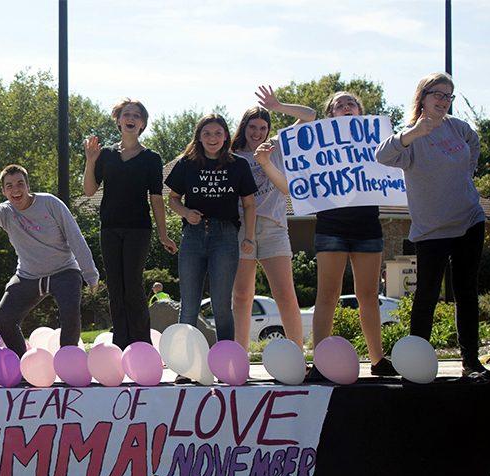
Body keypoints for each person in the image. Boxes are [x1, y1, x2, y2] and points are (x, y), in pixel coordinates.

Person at [376, 73, 490, 381]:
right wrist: (411, 134)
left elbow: (474, 144)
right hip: (431, 230)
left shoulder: (458, 128)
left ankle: (471, 363)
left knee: (466, 292)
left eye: (449, 96)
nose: (443, 101)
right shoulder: (410, 136)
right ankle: (417, 365)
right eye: (438, 95)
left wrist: (464, 179)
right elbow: (382, 155)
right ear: (423, 97)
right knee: (426, 295)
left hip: (469, 219)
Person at [307, 92, 397, 378]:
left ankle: (378, 359)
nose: (346, 107)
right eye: (339, 105)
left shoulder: (376, 142)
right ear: (330, 114)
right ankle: (320, 362)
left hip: (367, 226)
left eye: (351, 104)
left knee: (369, 295)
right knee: (328, 295)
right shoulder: (318, 142)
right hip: (331, 225)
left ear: (360, 111)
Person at [0, 165, 99, 357]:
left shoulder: (50, 203)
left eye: (19, 184)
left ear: (28, 185)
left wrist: (90, 274)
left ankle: (68, 360)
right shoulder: (6, 212)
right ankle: (22, 361)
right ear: (3, 191)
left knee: (70, 314)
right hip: (28, 275)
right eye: (9, 186)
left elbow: (75, 237)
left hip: (64, 271)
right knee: (3, 317)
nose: (15, 190)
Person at [83, 99, 177, 349]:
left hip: (138, 229)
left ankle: (141, 344)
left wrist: (164, 234)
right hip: (110, 229)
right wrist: (91, 160)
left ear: (142, 123)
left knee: (132, 285)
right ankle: (121, 344)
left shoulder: (152, 158)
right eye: (127, 114)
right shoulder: (105, 155)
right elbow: (90, 190)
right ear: (119, 120)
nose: (131, 118)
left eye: (137, 115)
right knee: (115, 286)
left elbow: (156, 198)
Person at [231, 86, 315, 350]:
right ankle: (240, 355)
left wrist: (277, 106)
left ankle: (296, 354)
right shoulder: (231, 155)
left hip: (274, 227)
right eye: (252, 127)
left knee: (284, 294)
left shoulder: (277, 146)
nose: (257, 133)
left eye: (262, 128)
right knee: (242, 296)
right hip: (241, 229)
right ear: (243, 128)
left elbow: (310, 116)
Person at [165, 114, 257, 342]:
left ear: (226, 136)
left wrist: (249, 237)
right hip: (193, 237)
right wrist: (186, 213)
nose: (212, 138)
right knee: (189, 306)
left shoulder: (239, 165)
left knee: (222, 306)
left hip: (225, 237)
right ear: (199, 137)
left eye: (217, 133)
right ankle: (185, 367)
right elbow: (173, 199)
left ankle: (227, 364)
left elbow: (249, 204)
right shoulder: (187, 163)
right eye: (206, 133)